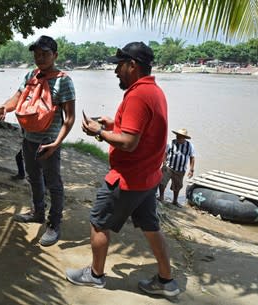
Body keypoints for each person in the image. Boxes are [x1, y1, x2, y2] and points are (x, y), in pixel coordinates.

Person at [65, 42, 180, 297]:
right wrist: (114, 123)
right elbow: (141, 131)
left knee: (98, 222)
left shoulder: (137, 95)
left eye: (119, 65)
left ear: (132, 65)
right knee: (152, 227)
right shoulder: (154, 91)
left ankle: (95, 275)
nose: (115, 71)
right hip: (149, 178)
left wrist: (100, 131)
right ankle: (166, 280)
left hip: (128, 179)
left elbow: (129, 142)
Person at [0, 35, 76, 246]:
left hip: (49, 141)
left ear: (55, 55)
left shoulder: (63, 81)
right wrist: (3, 108)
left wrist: (56, 143)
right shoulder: (30, 76)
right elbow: (17, 99)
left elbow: (69, 118)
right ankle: (38, 212)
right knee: (33, 178)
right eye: (37, 54)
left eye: (45, 54)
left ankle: (54, 224)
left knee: (53, 183)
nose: (40, 58)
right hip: (28, 138)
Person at [158, 128, 195, 207]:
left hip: (180, 170)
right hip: (168, 167)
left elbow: (192, 157)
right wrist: (164, 164)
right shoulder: (171, 143)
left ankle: (175, 201)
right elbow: (164, 153)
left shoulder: (190, 146)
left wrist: (191, 170)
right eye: (177, 135)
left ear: (184, 137)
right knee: (162, 182)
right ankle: (161, 197)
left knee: (177, 186)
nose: (178, 137)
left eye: (180, 136)